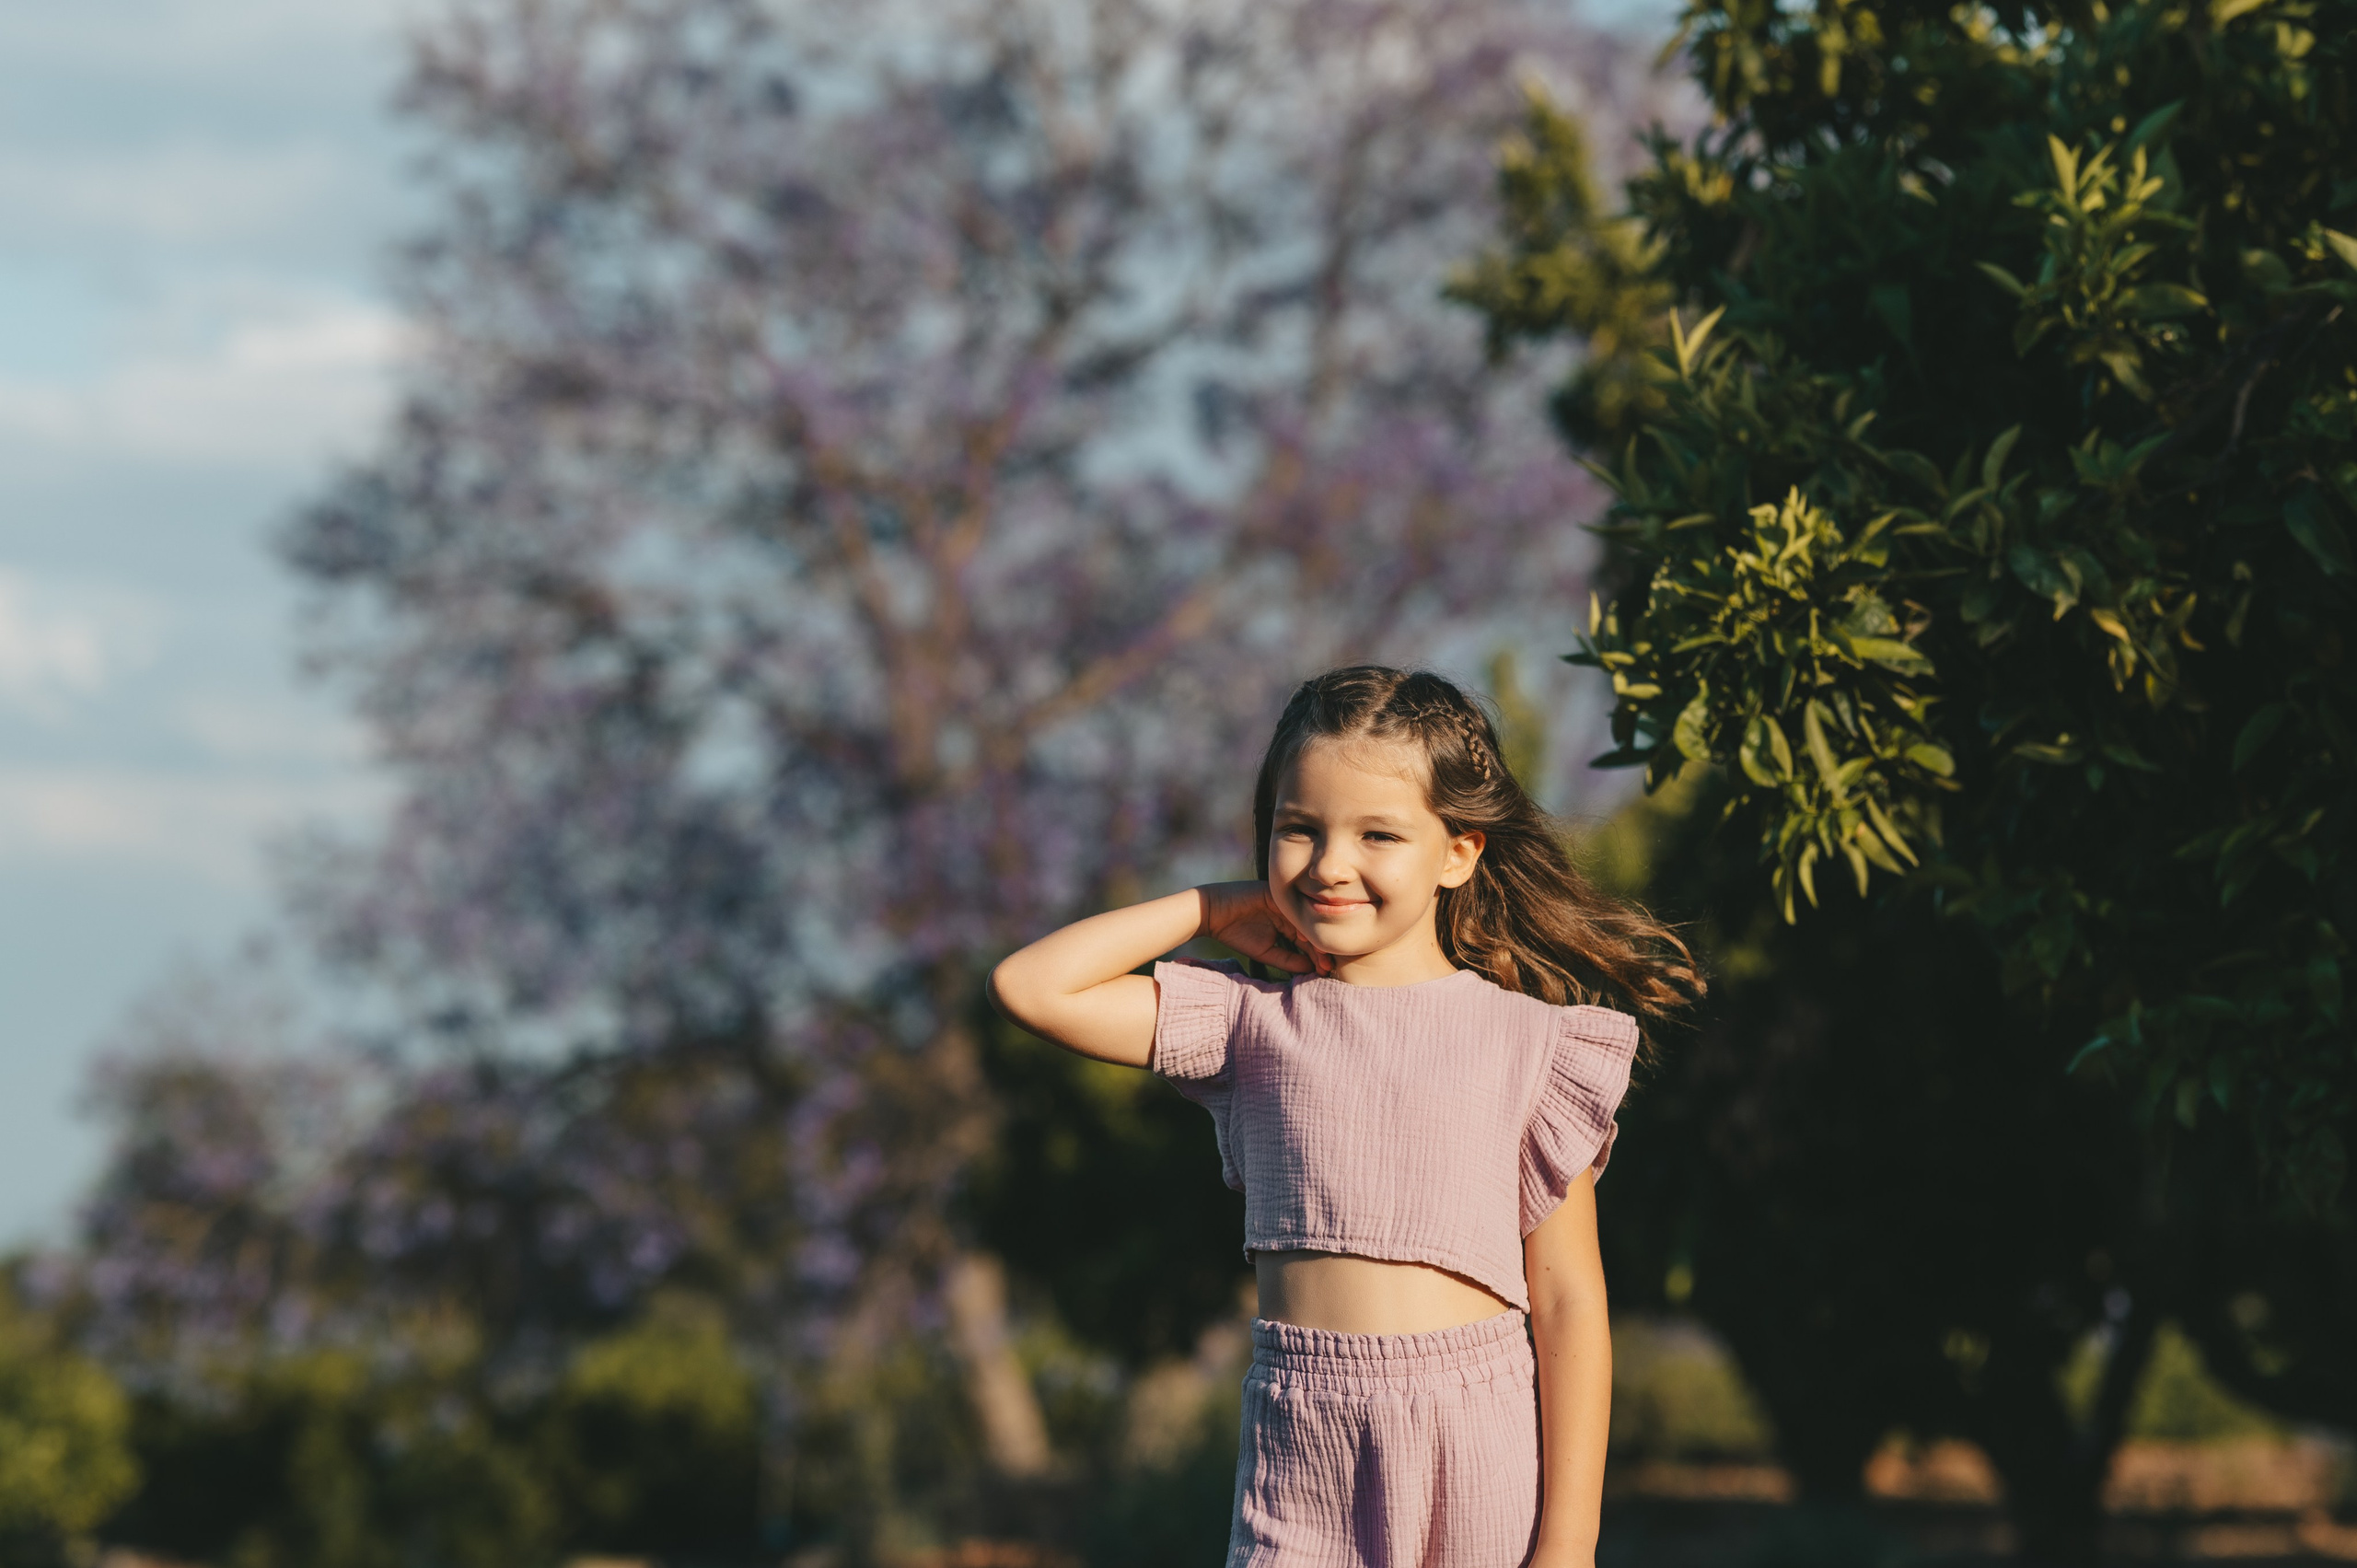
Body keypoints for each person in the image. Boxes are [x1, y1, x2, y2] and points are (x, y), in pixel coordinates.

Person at [990, 665, 1701, 1568]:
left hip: (1470, 1433)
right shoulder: (1249, 1020)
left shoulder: (1530, 1043)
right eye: (1299, 828)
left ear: (1459, 851)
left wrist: (1569, 1541)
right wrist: (1216, 905)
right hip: (1302, 1433)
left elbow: (1567, 1302)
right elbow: (1029, 985)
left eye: (1377, 832)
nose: (1329, 864)